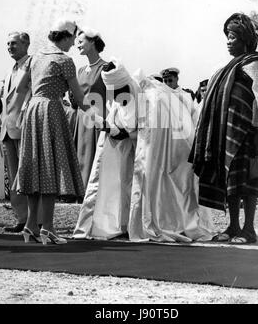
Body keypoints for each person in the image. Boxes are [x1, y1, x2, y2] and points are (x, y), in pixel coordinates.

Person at [74, 59, 214, 242]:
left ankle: (165, 222)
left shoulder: (153, 99)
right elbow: (126, 125)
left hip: (172, 152)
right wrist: (111, 128)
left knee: (159, 184)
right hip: (145, 148)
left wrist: (119, 130)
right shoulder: (123, 96)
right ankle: (126, 221)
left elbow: (144, 139)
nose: (118, 98)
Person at [191, 12, 258, 244]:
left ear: (244, 38)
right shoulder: (225, 67)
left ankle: (249, 229)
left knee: (248, 180)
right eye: (227, 36)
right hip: (226, 133)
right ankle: (233, 226)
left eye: (232, 36)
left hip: (248, 133)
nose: (228, 41)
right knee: (230, 181)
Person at [16, 19, 89, 245]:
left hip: (33, 109)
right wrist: (101, 116)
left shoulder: (35, 57)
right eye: (72, 40)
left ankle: (30, 226)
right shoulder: (65, 61)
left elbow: (20, 88)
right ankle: (47, 228)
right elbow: (79, 98)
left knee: (33, 165)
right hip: (51, 111)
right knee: (50, 168)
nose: (72, 45)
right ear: (65, 37)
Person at [0, 32, 32, 233]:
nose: (10, 47)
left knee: (26, 175)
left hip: (23, 127)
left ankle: (33, 219)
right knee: (14, 178)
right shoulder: (11, 70)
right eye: (8, 43)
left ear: (25, 44)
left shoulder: (32, 65)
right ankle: (22, 218)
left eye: (14, 43)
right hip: (7, 129)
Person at [73, 27, 107, 188]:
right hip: (80, 120)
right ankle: (80, 191)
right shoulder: (79, 71)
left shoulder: (106, 67)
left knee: (97, 158)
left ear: (92, 42)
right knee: (81, 156)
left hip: (99, 119)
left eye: (81, 41)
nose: (77, 45)